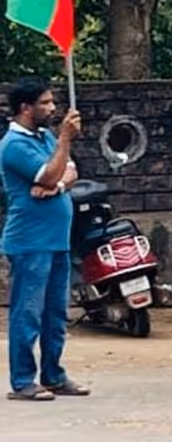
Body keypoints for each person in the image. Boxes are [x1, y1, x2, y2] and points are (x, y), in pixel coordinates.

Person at [1, 77, 89, 401]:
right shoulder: (14, 145)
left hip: (56, 240)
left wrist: (58, 187)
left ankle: (53, 374)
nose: (52, 108)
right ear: (26, 108)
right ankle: (23, 380)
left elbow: (70, 172)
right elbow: (50, 173)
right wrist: (64, 141)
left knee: (55, 313)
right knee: (28, 313)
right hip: (30, 241)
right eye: (45, 103)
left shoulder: (45, 137)